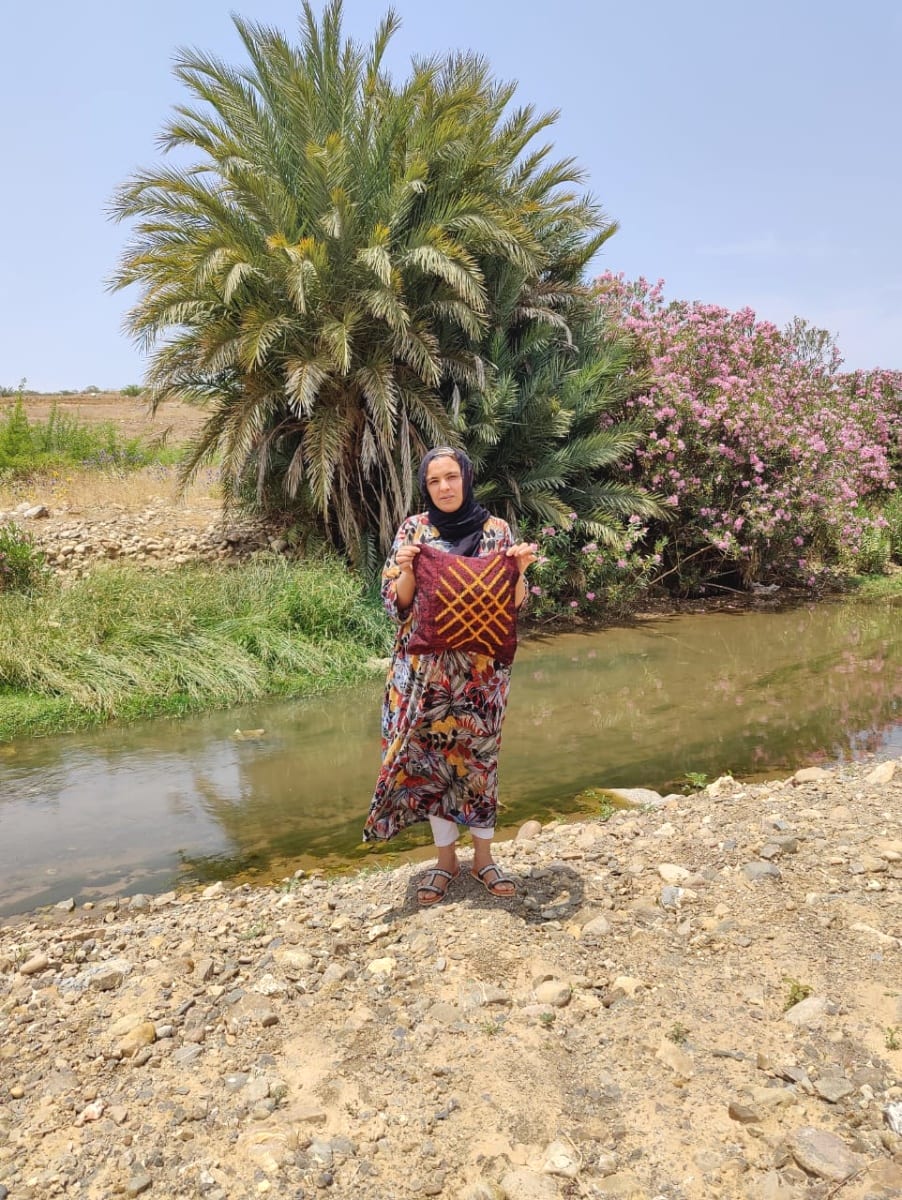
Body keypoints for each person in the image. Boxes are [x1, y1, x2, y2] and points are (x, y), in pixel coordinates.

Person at [362, 446, 537, 905]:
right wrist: (406, 570)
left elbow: (513, 605)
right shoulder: (414, 529)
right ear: (426, 486)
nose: (444, 487)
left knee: (478, 764)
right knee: (432, 765)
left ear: (467, 478)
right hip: (424, 675)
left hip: (480, 678)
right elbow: (395, 606)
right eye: (434, 480)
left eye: (451, 477)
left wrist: (519, 572)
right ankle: (445, 862)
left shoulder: (497, 531)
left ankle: (484, 859)